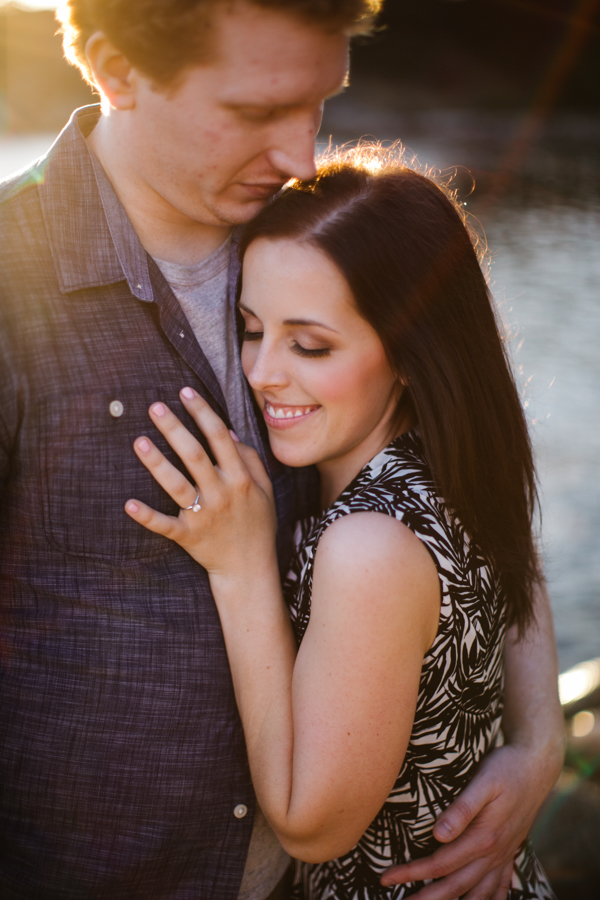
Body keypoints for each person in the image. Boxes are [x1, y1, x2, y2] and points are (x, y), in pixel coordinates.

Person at [0, 0, 562, 897]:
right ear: (115, 70)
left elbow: (473, 469)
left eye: (321, 103)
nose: (301, 156)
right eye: (259, 113)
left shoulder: (320, 237)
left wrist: (537, 740)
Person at [125, 150, 560, 899]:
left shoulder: (367, 546)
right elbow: (524, 579)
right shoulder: (461, 464)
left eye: (312, 344)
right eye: (251, 328)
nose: (261, 371)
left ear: (409, 352)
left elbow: (310, 825)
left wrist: (241, 568)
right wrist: (539, 741)